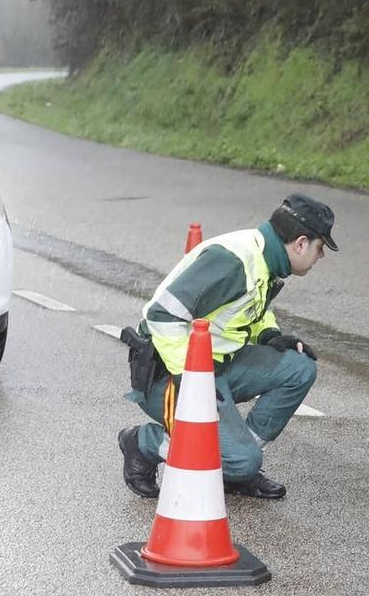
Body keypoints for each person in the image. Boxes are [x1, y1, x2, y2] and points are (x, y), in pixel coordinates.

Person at [119, 193, 337, 501]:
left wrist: (269, 335)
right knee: (243, 461)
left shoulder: (265, 258)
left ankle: (233, 467)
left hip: (216, 364)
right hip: (169, 378)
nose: (321, 257)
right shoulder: (232, 261)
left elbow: (245, 308)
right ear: (300, 243)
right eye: (320, 248)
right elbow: (161, 315)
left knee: (299, 367)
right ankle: (144, 442)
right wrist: (193, 380)